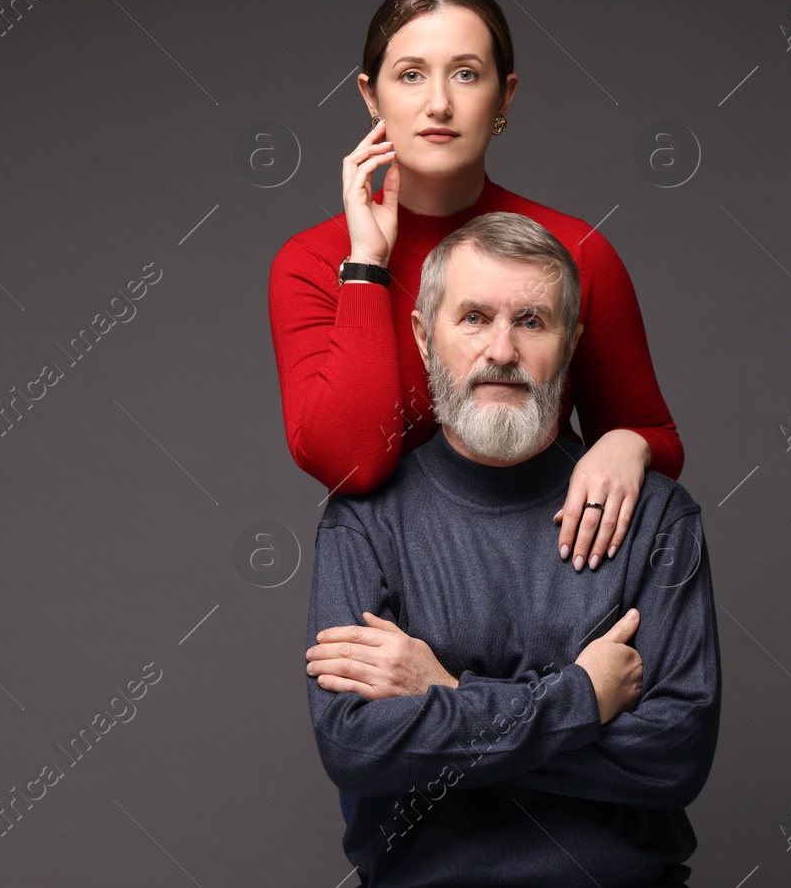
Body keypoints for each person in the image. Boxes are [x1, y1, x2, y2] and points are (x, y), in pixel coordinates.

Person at [303, 212, 720, 887]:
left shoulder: (657, 519)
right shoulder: (365, 522)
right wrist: (583, 698)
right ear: (423, 335)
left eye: (531, 320)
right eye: (473, 317)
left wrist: (443, 692)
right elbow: (355, 746)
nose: (501, 349)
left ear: (571, 340)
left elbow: (673, 757)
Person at [269, 0, 683, 572]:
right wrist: (365, 267)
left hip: (554, 577)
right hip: (393, 586)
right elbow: (351, 463)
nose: (439, 103)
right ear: (370, 95)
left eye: (466, 73)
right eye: (411, 75)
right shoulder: (310, 262)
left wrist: (627, 443)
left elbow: (658, 440)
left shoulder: (575, 250)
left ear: (505, 97)